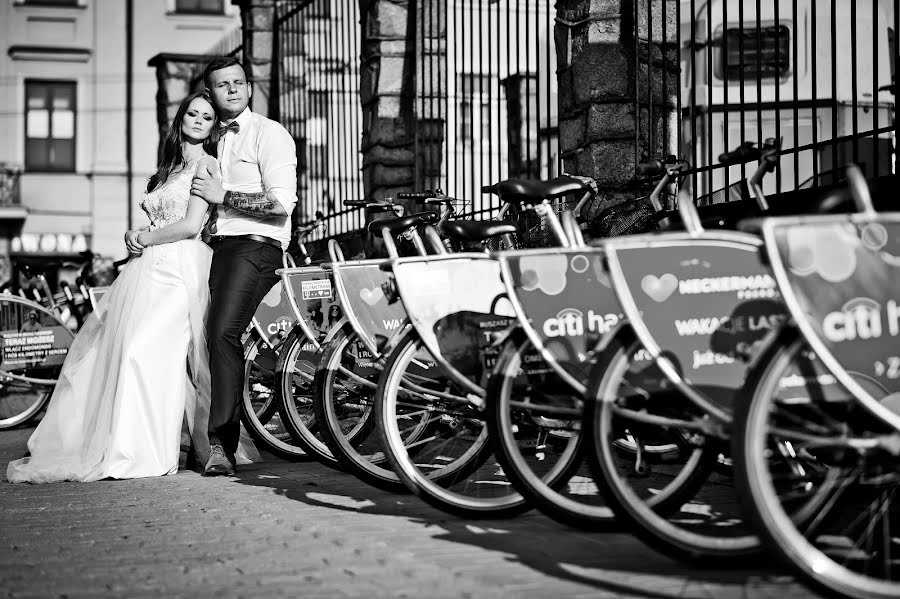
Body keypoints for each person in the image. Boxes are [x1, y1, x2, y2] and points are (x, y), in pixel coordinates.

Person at [6, 92, 256, 484]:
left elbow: (191, 225)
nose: (197, 120)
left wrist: (144, 235)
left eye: (206, 117)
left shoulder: (207, 166)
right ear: (181, 119)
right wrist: (136, 237)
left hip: (180, 269)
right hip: (147, 271)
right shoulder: (169, 168)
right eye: (191, 113)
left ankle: (147, 452)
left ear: (212, 128)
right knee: (123, 353)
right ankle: (135, 445)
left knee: (146, 350)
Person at [190, 57, 298, 476]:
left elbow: (280, 205)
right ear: (211, 94)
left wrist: (225, 195)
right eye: (222, 85)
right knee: (197, 339)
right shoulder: (214, 140)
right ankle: (192, 437)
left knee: (222, 333)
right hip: (216, 248)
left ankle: (221, 446)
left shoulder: (269, 134)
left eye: (238, 82)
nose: (232, 90)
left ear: (249, 87)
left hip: (255, 246)